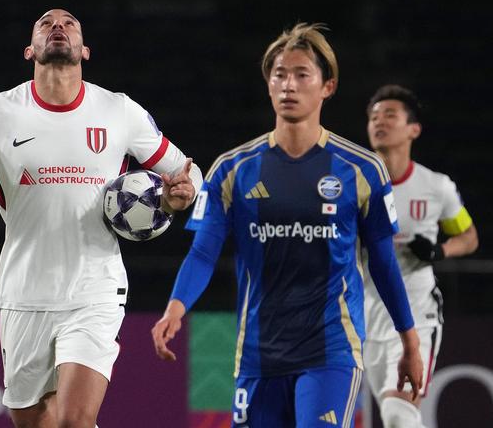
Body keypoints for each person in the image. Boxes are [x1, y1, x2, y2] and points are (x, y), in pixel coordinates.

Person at [0, 8, 202, 428]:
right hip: (23, 293)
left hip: (95, 290)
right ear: (29, 50)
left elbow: (188, 174)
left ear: (85, 50)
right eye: (46, 23)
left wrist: (179, 198)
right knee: (34, 422)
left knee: (73, 420)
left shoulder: (118, 110)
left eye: (69, 23)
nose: (58, 27)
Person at [151, 23, 424, 428]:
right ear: (268, 84)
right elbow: (204, 252)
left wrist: (410, 342)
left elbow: (383, 262)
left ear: (327, 86)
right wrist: (175, 308)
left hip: (331, 350)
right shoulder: (231, 169)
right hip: (258, 355)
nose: (289, 85)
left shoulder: (362, 169)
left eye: (301, 75)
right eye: (279, 74)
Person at [362, 84, 478, 427]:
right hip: (363, 317)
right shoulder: (354, 186)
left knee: (398, 414)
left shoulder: (435, 186)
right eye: (373, 117)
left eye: (390, 115)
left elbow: (469, 237)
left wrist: (440, 250)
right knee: (390, 414)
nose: (379, 121)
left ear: (414, 129)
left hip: (417, 315)